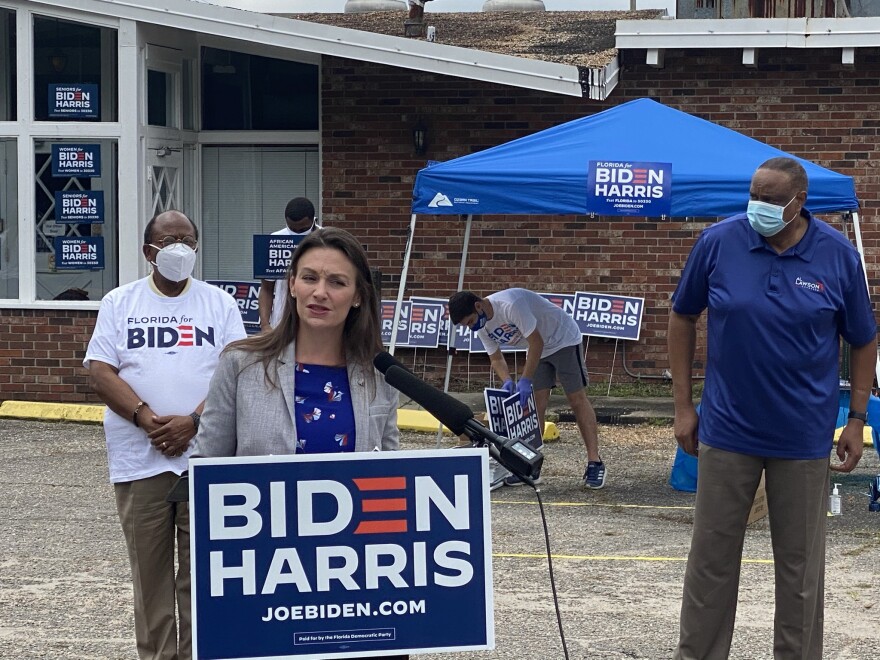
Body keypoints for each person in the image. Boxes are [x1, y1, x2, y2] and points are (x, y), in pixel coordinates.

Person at [668, 156, 877, 660]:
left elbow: (864, 340)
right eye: (754, 195)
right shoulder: (719, 242)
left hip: (803, 437)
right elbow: (682, 316)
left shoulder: (838, 256)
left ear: (799, 202)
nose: (757, 206)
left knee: (800, 568)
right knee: (711, 562)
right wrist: (682, 405)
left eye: (769, 198)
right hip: (726, 430)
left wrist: (855, 417)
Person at [193, 227, 405, 660]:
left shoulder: (380, 377)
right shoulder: (241, 364)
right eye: (309, 278)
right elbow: (206, 468)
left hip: (353, 575)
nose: (319, 292)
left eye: (337, 282)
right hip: (265, 576)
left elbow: (391, 471)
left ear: (359, 296)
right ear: (291, 284)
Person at [84, 210, 247, 660]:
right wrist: (143, 416)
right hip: (141, 461)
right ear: (147, 252)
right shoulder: (120, 302)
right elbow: (100, 370)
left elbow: (236, 372)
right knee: (150, 577)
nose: (179, 248)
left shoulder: (220, 304)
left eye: (188, 239)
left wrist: (194, 421)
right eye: (169, 240)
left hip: (206, 458)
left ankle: (201, 653)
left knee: (202, 576)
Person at [448, 288, 606, 489]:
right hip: (537, 348)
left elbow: (536, 342)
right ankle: (532, 465)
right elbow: (496, 358)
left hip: (562, 339)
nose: (470, 327)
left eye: (469, 321)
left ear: (478, 306)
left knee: (576, 399)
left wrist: (525, 379)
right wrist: (507, 381)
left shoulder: (511, 305)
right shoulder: (481, 326)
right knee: (535, 407)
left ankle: (595, 462)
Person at [257, 197, 319, 333]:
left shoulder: (327, 240)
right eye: (292, 228)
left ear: (313, 220)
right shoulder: (274, 240)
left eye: (302, 229)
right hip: (281, 323)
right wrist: (265, 325)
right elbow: (266, 289)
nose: (296, 233)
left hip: (317, 321)